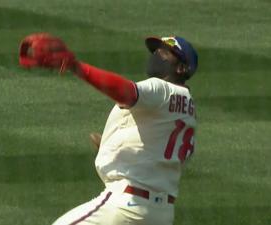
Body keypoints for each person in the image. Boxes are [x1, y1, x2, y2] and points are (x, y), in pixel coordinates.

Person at [20, 35, 198, 225]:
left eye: (165, 52)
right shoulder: (188, 108)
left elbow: (125, 91)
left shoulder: (161, 89)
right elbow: (158, 152)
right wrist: (109, 146)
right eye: (156, 51)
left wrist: (76, 67)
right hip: (160, 214)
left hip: (127, 205)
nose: (157, 55)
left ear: (181, 68)